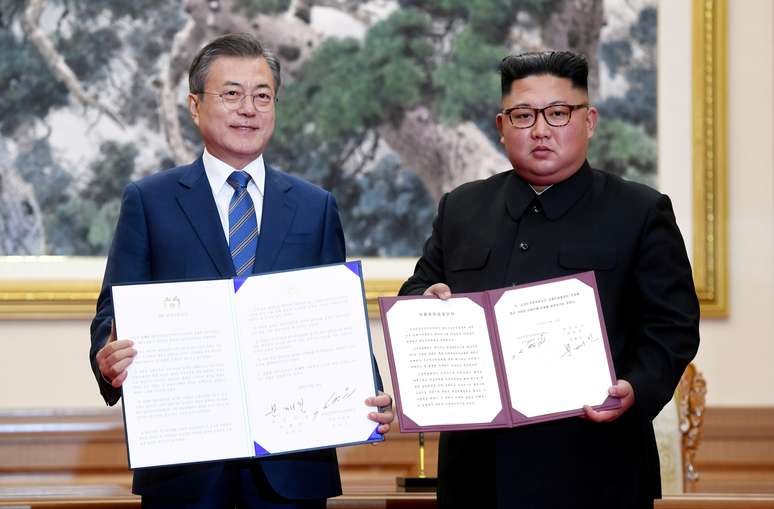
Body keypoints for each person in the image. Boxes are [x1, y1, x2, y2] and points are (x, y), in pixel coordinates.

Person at [90, 32, 393, 509]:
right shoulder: (149, 201)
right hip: (185, 471)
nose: (248, 108)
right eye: (231, 94)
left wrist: (368, 388)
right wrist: (107, 361)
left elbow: (339, 321)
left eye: (262, 96)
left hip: (293, 471)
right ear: (195, 105)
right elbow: (110, 318)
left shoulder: (316, 207)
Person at [399, 50, 700, 508]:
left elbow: (673, 327)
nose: (540, 129)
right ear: (501, 127)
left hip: (596, 471)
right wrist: (426, 301)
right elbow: (418, 290)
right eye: (523, 115)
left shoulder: (639, 211)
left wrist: (636, 387)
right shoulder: (462, 208)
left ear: (589, 121)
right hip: (478, 476)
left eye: (558, 113)